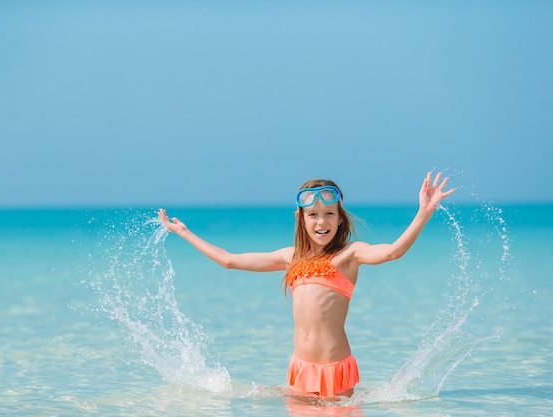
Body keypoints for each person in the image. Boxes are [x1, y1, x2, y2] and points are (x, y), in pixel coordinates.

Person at [158, 171, 455, 399]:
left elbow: (392, 251)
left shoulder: (350, 255)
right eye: (312, 215)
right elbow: (229, 260)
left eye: (329, 214)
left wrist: (423, 213)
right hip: (299, 370)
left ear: (340, 219)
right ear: (301, 218)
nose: (321, 221)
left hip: (335, 370)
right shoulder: (290, 258)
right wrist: (185, 233)